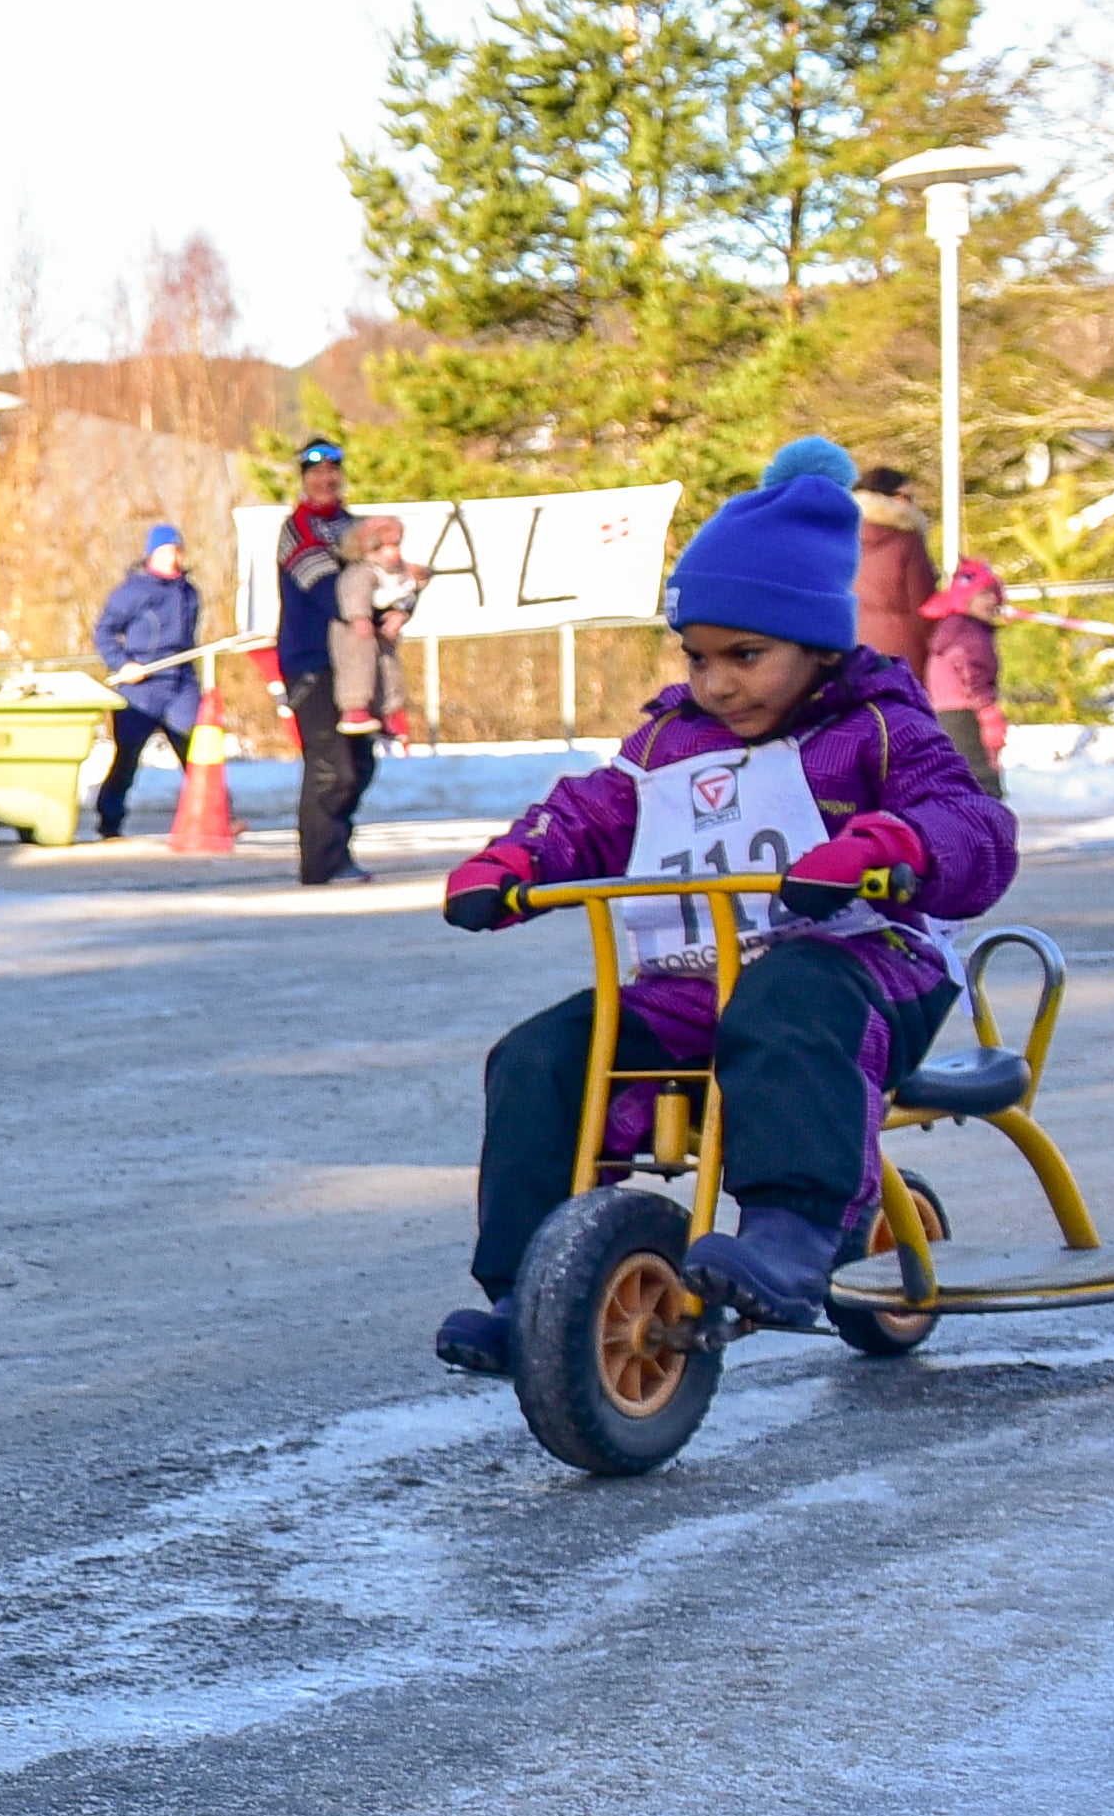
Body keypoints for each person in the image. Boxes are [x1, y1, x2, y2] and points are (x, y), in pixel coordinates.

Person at [429, 468, 1018, 1375]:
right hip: (696, 977)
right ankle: (530, 1290)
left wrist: (886, 847)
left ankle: (791, 1230)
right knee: (542, 1056)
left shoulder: (878, 727)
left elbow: (973, 828)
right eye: (697, 658)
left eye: (745, 656)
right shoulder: (670, 740)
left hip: (861, 970)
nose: (717, 684)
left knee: (786, 1000)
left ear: (820, 643)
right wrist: (518, 860)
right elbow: (593, 812)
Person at [276, 441, 376, 886]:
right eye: (316, 473)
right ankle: (320, 863)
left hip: (356, 663)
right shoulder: (296, 529)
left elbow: (385, 578)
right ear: (303, 479)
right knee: (329, 764)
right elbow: (331, 593)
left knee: (361, 762)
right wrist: (372, 597)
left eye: (333, 471)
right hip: (310, 660)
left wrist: (398, 603)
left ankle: (340, 847)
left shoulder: (357, 526)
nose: (325, 479)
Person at [89, 526, 203, 842]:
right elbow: (104, 632)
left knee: (199, 751)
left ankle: (215, 815)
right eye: (165, 551)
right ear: (152, 554)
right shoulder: (132, 592)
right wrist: (123, 664)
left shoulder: (189, 592)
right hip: (141, 688)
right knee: (127, 757)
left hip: (180, 683)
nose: (172, 557)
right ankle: (109, 820)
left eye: (176, 550)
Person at [921, 554, 1011, 794]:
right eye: (984, 594)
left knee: (959, 778)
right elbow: (973, 673)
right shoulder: (970, 633)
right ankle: (986, 826)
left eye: (994, 593)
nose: (993, 600)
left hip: (945, 711)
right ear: (965, 599)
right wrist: (988, 711)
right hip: (966, 712)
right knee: (982, 780)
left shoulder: (950, 627)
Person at [329, 513, 418, 753]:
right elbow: (353, 593)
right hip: (357, 635)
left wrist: (401, 613)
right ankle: (355, 707)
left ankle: (387, 711)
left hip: (383, 634)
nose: (392, 553)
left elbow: (407, 593)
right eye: (385, 546)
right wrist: (359, 616)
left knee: (389, 670)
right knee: (359, 668)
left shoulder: (397, 574)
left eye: (395, 545)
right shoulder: (361, 572)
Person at [850, 464, 938, 668]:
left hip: (849, 648)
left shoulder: (836, 538)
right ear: (891, 497)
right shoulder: (906, 540)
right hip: (901, 650)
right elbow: (924, 606)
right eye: (907, 497)